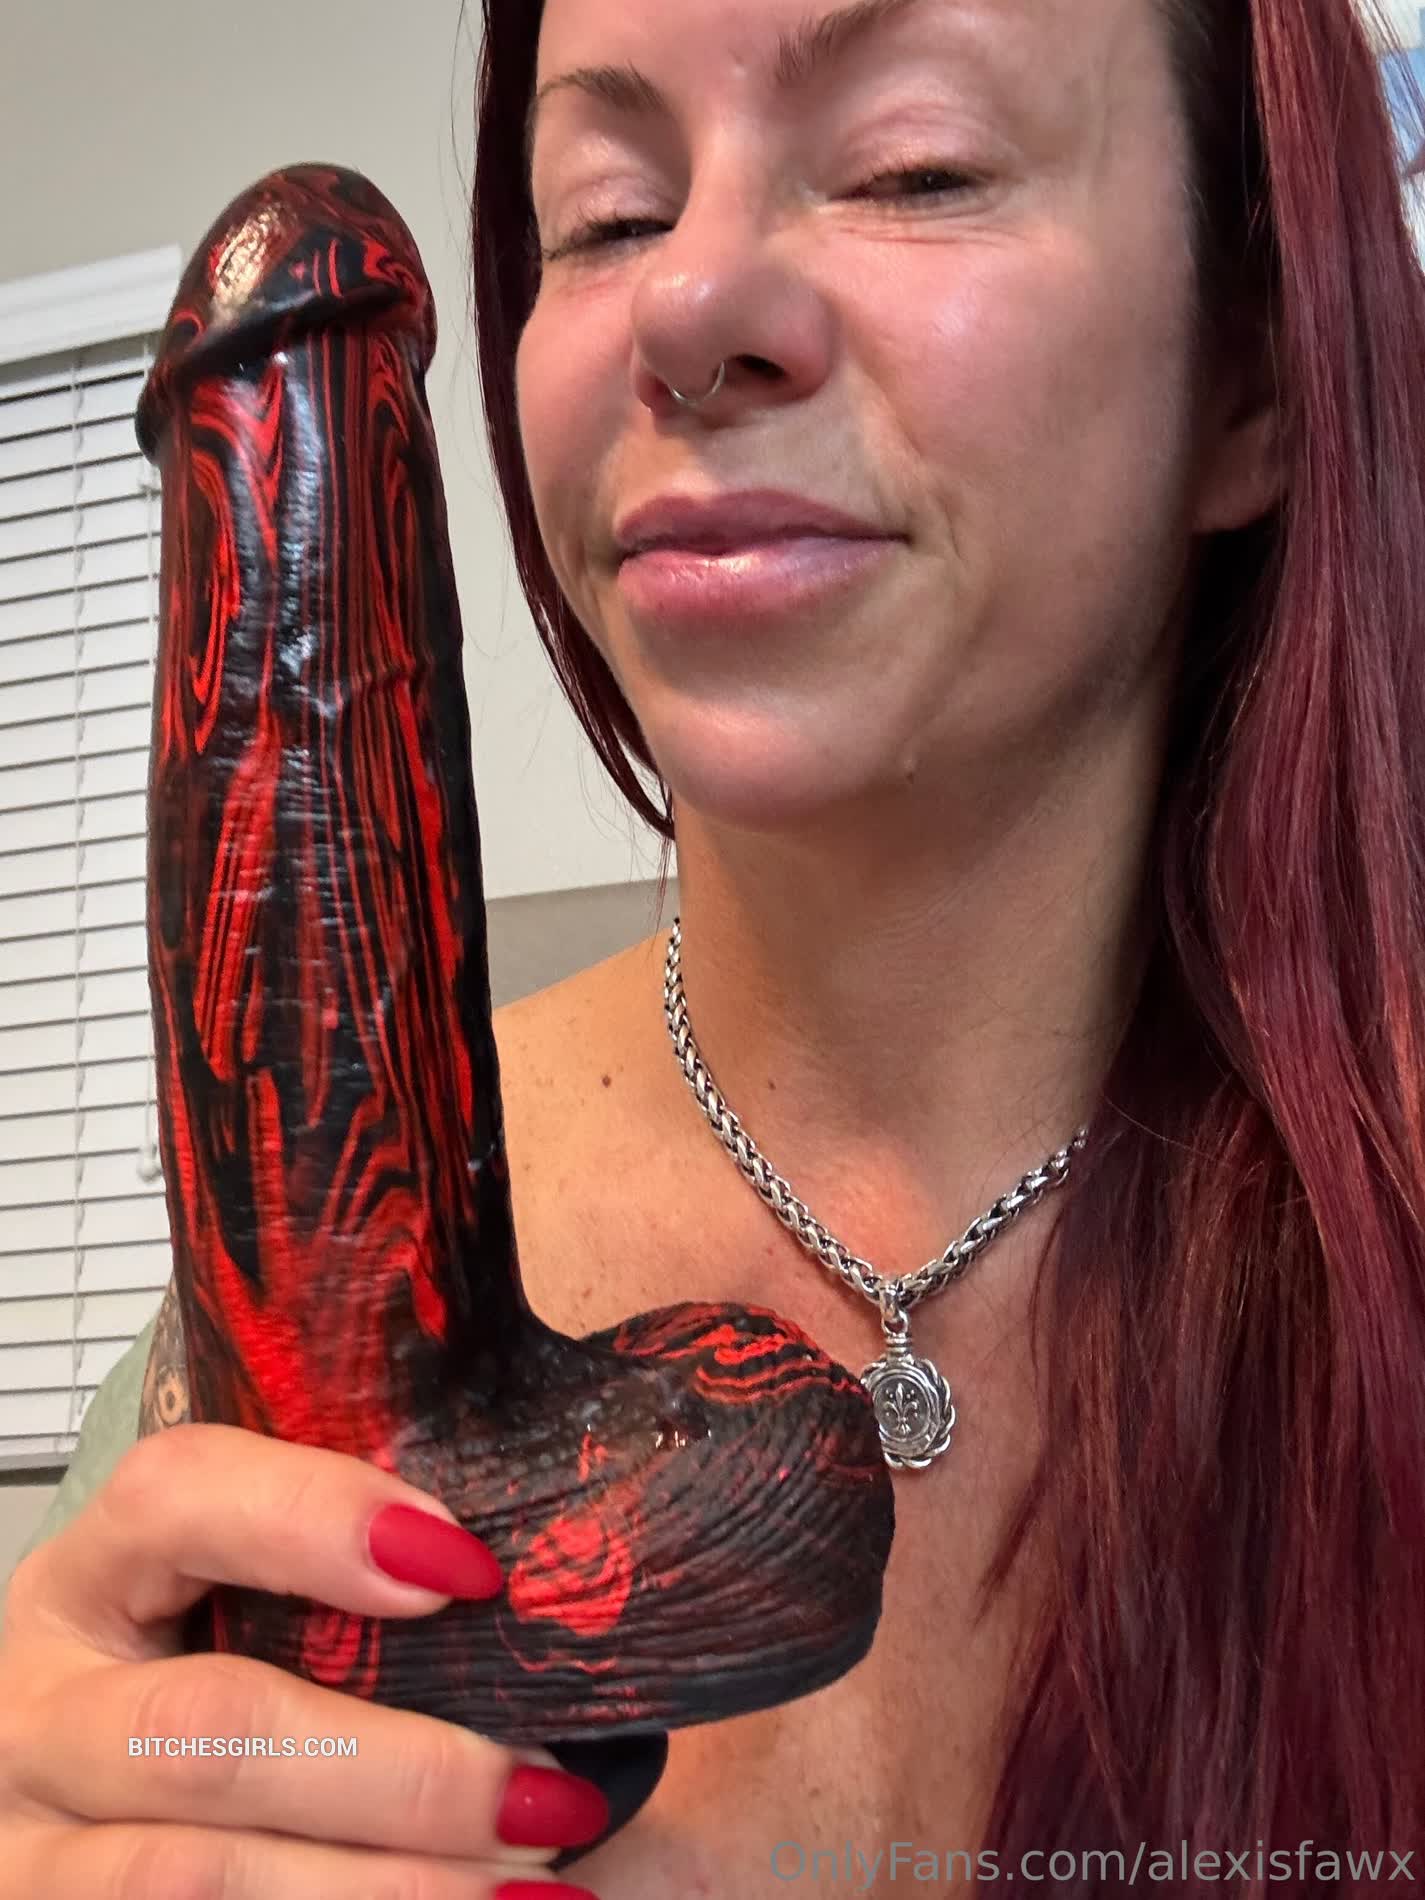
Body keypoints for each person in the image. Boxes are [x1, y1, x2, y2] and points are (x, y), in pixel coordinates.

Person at [4, 0, 1424, 1891]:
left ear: (1251, 377)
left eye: (914, 166)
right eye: (605, 214)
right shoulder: (222, 1417)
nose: (687, 304)